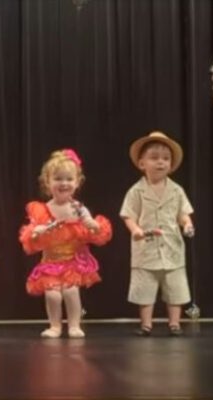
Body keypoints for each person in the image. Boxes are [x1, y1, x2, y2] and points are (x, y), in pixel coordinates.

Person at [19, 149, 112, 338]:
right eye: (58, 179)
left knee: (70, 291)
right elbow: (32, 233)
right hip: (50, 261)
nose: (64, 183)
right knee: (52, 294)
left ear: (77, 182)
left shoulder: (78, 208)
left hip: (72, 261)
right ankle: (54, 326)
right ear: (47, 182)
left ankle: (74, 325)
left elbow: (93, 231)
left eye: (69, 179)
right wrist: (37, 232)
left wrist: (92, 225)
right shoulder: (41, 209)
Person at [120, 132, 195, 337]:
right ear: (142, 163)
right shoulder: (136, 191)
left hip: (172, 249)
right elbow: (128, 216)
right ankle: (146, 324)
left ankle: (174, 323)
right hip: (146, 250)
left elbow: (183, 214)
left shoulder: (177, 190)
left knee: (175, 288)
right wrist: (135, 230)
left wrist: (187, 225)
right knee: (145, 289)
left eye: (165, 158)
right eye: (154, 158)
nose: (160, 162)